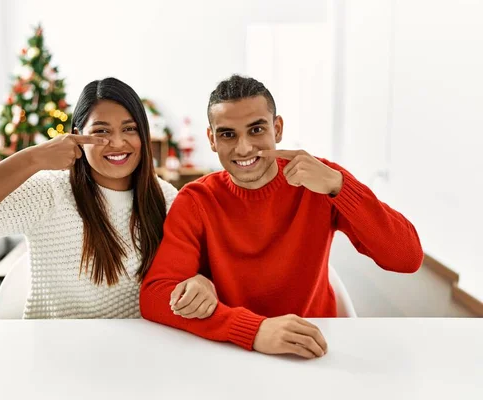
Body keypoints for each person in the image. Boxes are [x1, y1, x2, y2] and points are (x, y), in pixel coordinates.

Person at [140, 74, 423, 358]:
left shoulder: (321, 179)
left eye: (256, 130)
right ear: (212, 139)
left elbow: (407, 258)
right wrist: (254, 330)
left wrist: (341, 186)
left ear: (277, 128)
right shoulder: (197, 199)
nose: (244, 148)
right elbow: (154, 296)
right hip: (234, 350)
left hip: (315, 344)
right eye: (228, 134)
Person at [0, 77, 217, 319]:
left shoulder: (165, 197)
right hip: (55, 351)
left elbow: (194, 271)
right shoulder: (49, 192)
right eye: (101, 131)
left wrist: (202, 281)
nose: (117, 142)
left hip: (138, 353)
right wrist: (32, 159)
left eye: (129, 129)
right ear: (77, 136)